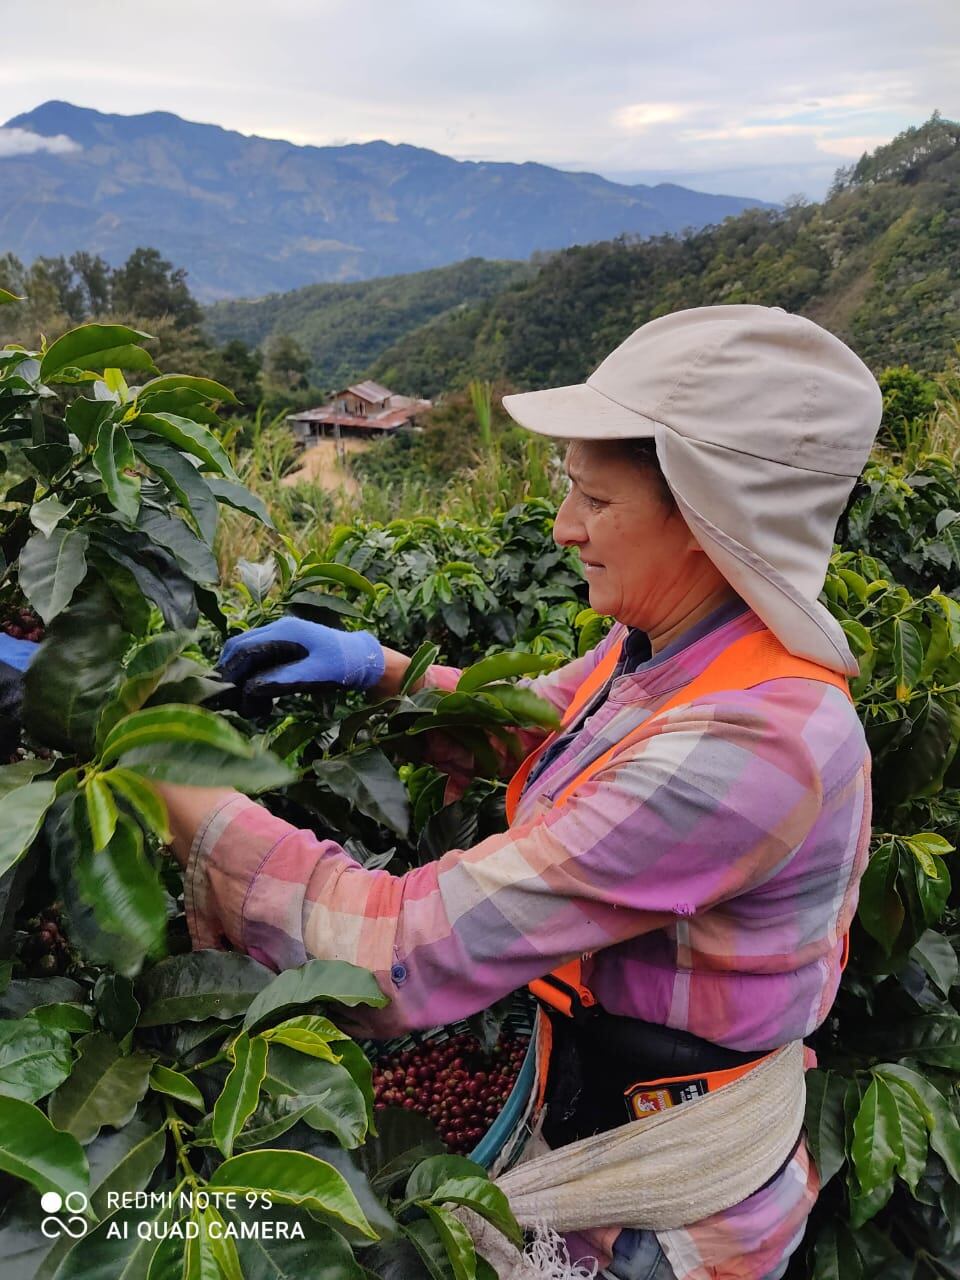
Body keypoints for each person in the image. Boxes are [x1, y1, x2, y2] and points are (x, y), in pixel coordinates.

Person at [1, 305, 882, 1279]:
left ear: (714, 522)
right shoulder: (680, 645)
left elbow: (389, 951)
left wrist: (149, 759)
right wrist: (381, 671)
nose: (565, 527)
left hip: (662, 1203)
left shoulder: (756, 748)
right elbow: (560, 732)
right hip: (595, 1102)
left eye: (595, 499)